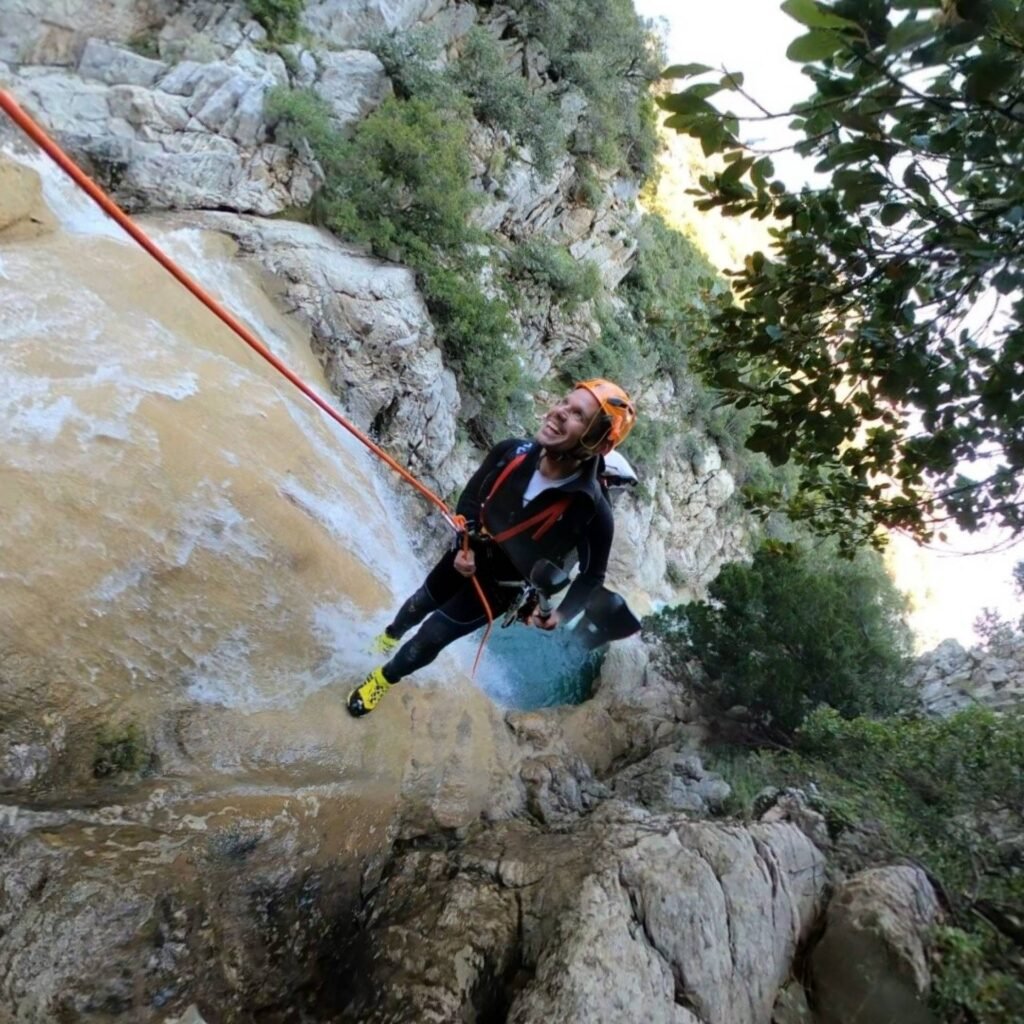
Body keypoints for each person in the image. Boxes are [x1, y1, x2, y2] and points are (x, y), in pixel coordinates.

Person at [347, 378, 638, 716]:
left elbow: (591, 575)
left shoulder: (592, 510)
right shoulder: (510, 452)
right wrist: (464, 542)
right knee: (418, 603)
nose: (558, 413)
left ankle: (383, 678)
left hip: (500, 587)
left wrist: (560, 614)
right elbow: (471, 500)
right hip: (468, 554)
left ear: (599, 445)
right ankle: (388, 636)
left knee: (432, 636)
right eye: (564, 403)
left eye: (577, 416)